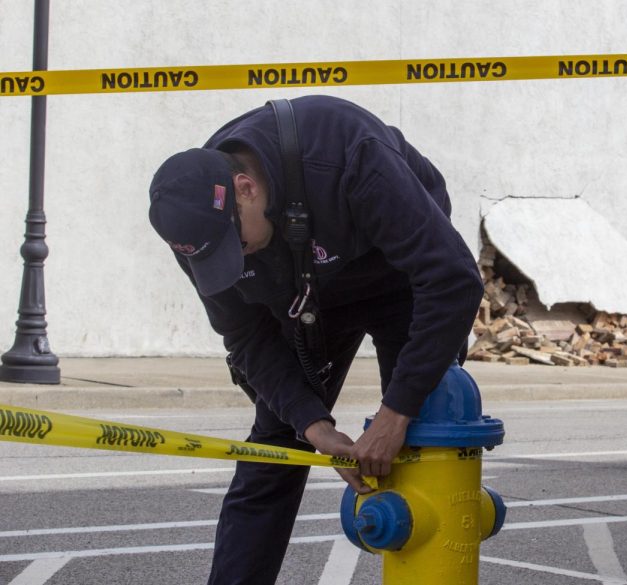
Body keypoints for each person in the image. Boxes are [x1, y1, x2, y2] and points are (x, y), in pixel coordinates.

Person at [148, 95, 483, 584]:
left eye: (236, 246)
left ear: (245, 189)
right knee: (274, 447)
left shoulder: (345, 150)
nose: (233, 260)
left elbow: (453, 279)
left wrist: (397, 411)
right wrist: (313, 426)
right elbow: (245, 336)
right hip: (306, 296)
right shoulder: (197, 225)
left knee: (422, 435)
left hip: (400, 279)